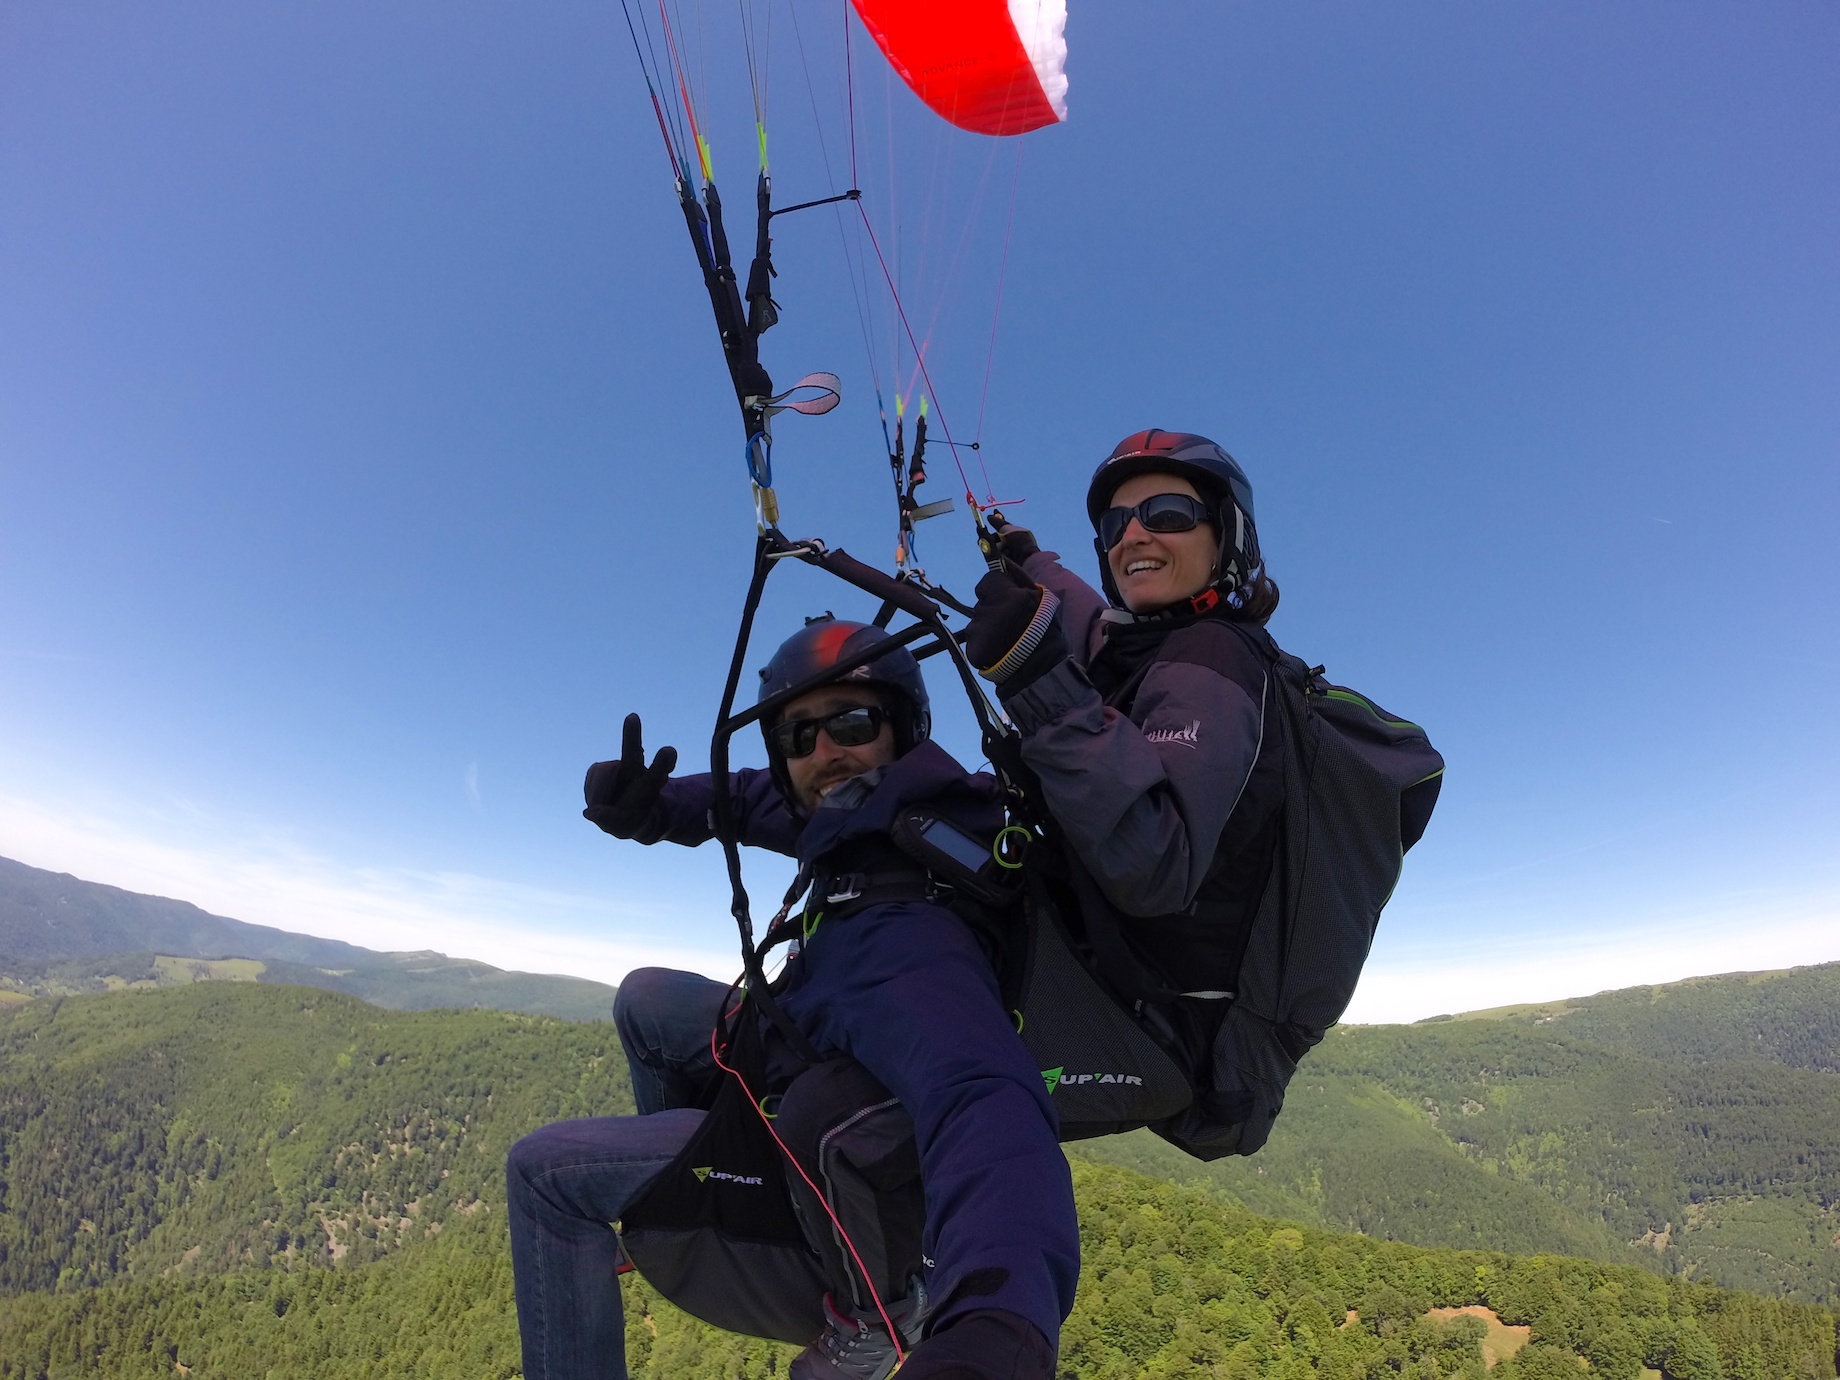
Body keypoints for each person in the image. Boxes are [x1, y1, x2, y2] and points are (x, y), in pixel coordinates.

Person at [506, 616, 1075, 1380]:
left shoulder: (908, 938)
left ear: (903, 726)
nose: (824, 750)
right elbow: (752, 799)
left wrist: (999, 1326)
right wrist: (654, 809)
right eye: (798, 735)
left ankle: (866, 1306)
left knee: (541, 1175)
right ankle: (681, 1190)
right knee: (646, 1001)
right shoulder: (879, 816)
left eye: (851, 722)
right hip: (802, 1044)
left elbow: (986, 1103)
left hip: (817, 1150)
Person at [962, 428, 1285, 1014]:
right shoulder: (1154, 645)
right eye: (1116, 525)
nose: (1132, 535)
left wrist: (1038, 681)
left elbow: (1156, 865)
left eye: (1168, 514)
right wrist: (1029, 559)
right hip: (1113, 986)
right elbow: (1090, 622)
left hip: (1157, 1026)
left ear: (1227, 535)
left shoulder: (1213, 653)